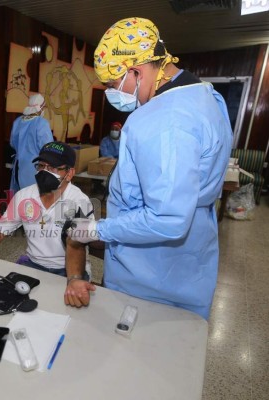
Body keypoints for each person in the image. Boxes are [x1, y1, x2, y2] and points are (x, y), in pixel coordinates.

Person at [68, 17, 232, 319]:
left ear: (136, 71)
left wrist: (95, 229)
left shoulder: (162, 120)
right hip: (189, 263)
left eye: (113, 84)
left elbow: (167, 219)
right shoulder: (206, 95)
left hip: (149, 277)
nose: (112, 93)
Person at [0, 142, 96, 306]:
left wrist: (74, 278)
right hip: (34, 263)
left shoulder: (79, 202)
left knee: (65, 310)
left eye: (53, 167)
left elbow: (78, 246)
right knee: (3, 304)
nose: (44, 172)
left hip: (68, 269)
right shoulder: (24, 196)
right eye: (41, 166)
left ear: (69, 173)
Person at [9, 93, 54, 192]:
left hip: (18, 167)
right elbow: (48, 148)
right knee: (33, 200)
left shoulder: (18, 121)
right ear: (41, 107)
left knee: (21, 198)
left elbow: (12, 143)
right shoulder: (41, 123)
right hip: (34, 170)